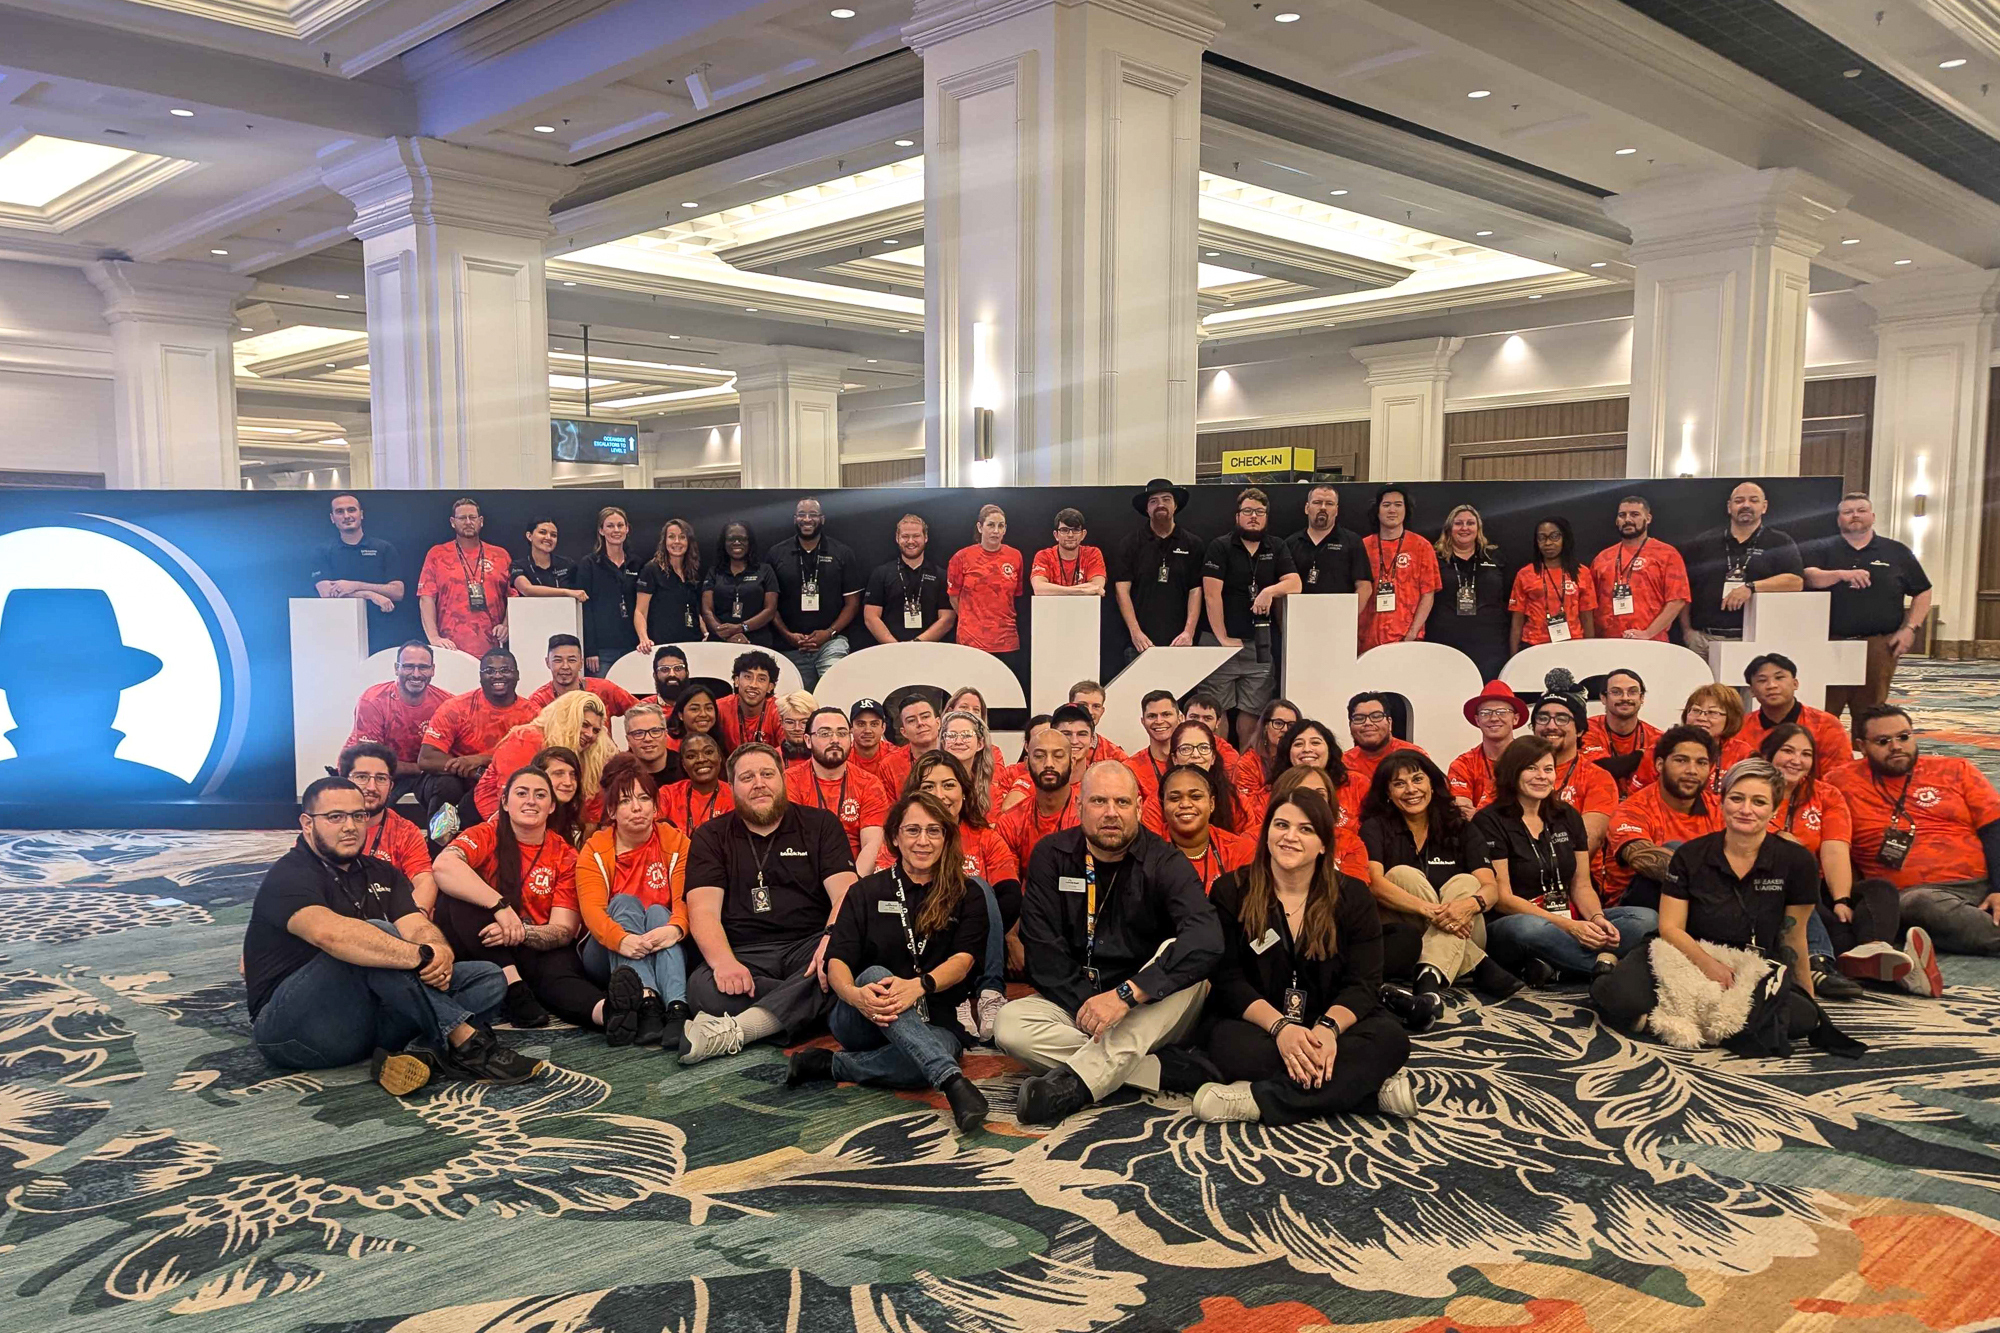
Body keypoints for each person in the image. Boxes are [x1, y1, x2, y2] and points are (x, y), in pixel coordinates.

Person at [243, 776, 537, 1094]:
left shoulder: (382, 872)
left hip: (366, 1024)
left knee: (487, 978)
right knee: (374, 935)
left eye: (359, 816)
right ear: (307, 823)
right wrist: (420, 956)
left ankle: (419, 1051)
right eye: (335, 817)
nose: (350, 826)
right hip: (293, 1029)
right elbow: (332, 937)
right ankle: (467, 1042)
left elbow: (416, 925)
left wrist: (438, 949)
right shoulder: (289, 875)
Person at [998, 762, 1223, 1125]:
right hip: (1081, 1002)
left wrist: (1127, 995)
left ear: (1138, 806)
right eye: (1099, 801)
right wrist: (1092, 1007)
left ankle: (1076, 1084)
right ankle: (1156, 1072)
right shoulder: (1051, 855)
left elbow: (1208, 937)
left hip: (1153, 1005)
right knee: (1010, 1025)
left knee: (1181, 956)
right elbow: (1041, 950)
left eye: (1121, 802)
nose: (1111, 814)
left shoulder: (1165, 860)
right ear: (1079, 806)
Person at [1191, 788, 1418, 1124]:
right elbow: (1228, 981)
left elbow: (1363, 983)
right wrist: (1281, 1028)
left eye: (1306, 829)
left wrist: (1327, 1029)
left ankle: (1259, 1100)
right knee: (1230, 1049)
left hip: (1327, 1018)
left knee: (1391, 1040)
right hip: (1258, 1023)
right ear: (1266, 832)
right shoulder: (1231, 890)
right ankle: (1366, 1092)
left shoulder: (1352, 896)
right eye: (1281, 825)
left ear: (1324, 843)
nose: (1290, 837)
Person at [789, 791, 992, 1131]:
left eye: (933, 831)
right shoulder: (866, 891)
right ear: (895, 836)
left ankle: (833, 1066)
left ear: (946, 837)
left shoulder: (967, 894)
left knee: (924, 1060)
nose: (923, 841)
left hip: (934, 1020)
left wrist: (919, 986)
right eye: (912, 830)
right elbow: (837, 962)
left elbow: (963, 962)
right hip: (862, 1017)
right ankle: (952, 1083)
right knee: (876, 975)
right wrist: (855, 996)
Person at [1592, 759, 1830, 1048]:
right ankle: (1617, 972)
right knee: (1618, 997)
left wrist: (1808, 996)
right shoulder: (1690, 855)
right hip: (1681, 952)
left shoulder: (1797, 861)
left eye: (1759, 802)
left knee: (1802, 1018)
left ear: (1775, 809)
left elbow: (1794, 936)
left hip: (1748, 964)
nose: (1745, 809)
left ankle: (1670, 1021)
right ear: (1722, 801)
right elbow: (1670, 927)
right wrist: (1709, 965)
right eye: (1736, 798)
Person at [678, 744, 860, 1063]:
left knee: (845, 960)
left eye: (767, 774)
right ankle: (815, 1007)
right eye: (747, 777)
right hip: (745, 953)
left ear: (783, 779)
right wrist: (724, 963)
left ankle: (743, 1028)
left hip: (810, 945)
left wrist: (831, 938)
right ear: (731, 787)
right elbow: (702, 911)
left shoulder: (821, 824)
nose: (759, 783)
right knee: (701, 987)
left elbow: (846, 892)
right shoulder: (710, 836)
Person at [432, 765, 605, 1031]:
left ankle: (610, 1012)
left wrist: (520, 933)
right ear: (504, 802)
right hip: (481, 939)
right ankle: (515, 988)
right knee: (460, 895)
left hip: (532, 942)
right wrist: (500, 906)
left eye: (540, 795)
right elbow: (444, 866)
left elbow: (563, 930)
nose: (530, 801)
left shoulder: (565, 854)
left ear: (551, 807)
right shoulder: (485, 834)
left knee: (560, 973)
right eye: (522, 793)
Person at [1757, 723, 1924, 999]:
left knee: (1879, 889)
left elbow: (1835, 849)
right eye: (1787, 751)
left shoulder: (1825, 794)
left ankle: (1875, 947)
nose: (1796, 760)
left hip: (1822, 882)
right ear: (1768, 755)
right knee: (1826, 921)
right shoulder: (1751, 791)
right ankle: (1835, 964)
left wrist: (1842, 900)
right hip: (1778, 887)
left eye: (1806, 754)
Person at [1829, 705, 2000, 957]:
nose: (1896, 746)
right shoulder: (1840, 782)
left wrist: (1998, 888)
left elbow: (1994, 828)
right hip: (1912, 895)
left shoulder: (1955, 770)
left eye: (1904, 737)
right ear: (1862, 746)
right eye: (1883, 741)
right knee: (1922, 905)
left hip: (1980, 883)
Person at [1476, 736, 1650, 981]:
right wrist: (1567, 926)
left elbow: (1581, 885)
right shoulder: (1489, 820)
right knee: (1528, 929)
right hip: (1515, 922)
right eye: (1531, 768)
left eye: (1548, 769)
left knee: (1645, 919)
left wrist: (1596, 920)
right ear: (1512, 773)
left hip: (1570, 916)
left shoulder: (1566, 815)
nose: (1541, 776)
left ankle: (1558, 968)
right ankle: (1612, 969)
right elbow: (1503, 898)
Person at [1358, 751, 1514, 1000]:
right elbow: (1374, 883)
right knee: (1401, 875)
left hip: (1468, 927)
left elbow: (1490, 887)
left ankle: (1437, 970)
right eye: (1399, 784)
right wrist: (1432, 911)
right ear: (1387, 793)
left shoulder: (1461, 827)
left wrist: (1470, 904)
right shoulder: (1375, 827)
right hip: (1407, 935)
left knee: (1466, 882)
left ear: (1432, 783)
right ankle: (1440, 973)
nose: (1411, 789)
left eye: (1418, 780)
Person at [575, 754, 695, 1049]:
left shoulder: (677, 843)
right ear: (612, 811)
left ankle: (676, 1010)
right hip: (606, 951)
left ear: (656, 806)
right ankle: (646, 1002)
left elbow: (686, 899)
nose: (637, 807)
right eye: (626, 801)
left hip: (664, 941)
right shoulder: (595, 850)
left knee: (657, 911)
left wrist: (676, 928)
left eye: (644, 798)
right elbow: (592, 912)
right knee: (624, 903)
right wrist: (621, 940)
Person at [1803, 492, 1933, 740]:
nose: (1855, 516)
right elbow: (1810, 576)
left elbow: (1923, 591)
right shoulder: (1822, 548)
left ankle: (1866, 767)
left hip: (1878, 645)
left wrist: (1910, 628)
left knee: (1871, 715)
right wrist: (1842, 574)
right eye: (1848, 511)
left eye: (1861, 510)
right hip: (1829, 643)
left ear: (1872, 516)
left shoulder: (1896, 551)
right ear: (1839, 518)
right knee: (1822, 715)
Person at [909, 750, 1020, 1036]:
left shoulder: (985, 837)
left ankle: (990, 993)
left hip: (977, 940)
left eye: (948, 785)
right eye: (928, 786)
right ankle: (953, 993)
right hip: (921, 939)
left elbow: (1009, 899)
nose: (940, 794)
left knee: (978, 888)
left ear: (964, 792)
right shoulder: (904, 837)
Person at [1201, 486, 1302, 750]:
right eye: (1247, 511)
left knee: (1253, 713)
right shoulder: (1220, 546)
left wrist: (1269, 591)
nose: (1253, 516)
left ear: (1267, 516)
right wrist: (1222, 638)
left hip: (1260, 644)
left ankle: (1245, 768)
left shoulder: (1277, 546)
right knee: (1215, 713)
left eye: (1259, 511)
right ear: (1237, 516)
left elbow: (1295, 583)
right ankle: (1217, 766)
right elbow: (1212, 595)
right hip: (1220, 642)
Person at [1680, 481, 1805, 660]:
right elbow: (1684, 589)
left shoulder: (1779, 541)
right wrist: (1687, 631)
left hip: (1751, 641)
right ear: (1729, 507)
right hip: (1703, 640)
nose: (1746, 505)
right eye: (1739, 501)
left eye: (1753, 500)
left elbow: (1796, 581)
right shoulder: (1704, 542)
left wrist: (1750, 587)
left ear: (1764, 507)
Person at [416, 649, 536, 831]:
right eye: (489, 671)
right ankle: (438, 848)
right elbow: (427, 758)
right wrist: (470, 769)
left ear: (517, 675)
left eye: (505, 670)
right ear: (480, 676)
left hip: (505, 781)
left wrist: (481, 760)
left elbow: (538, 758)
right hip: (458, 781)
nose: (497, 676)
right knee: (446, 785)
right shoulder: (456, 708)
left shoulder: (532, 714)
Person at [1604, 725, 1722, 910]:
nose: (1692, 770)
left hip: (1701, 901)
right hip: (1637, 908)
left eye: (1701, 763)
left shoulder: (1721, 807)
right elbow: (1640, 857)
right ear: (1659, 765)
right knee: (1676, 850)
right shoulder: (1632, 809)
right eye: (1681, 760)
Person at [471, 688, 611, 823]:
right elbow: (513, 797)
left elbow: (592, 813)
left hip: (548, 821)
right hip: (493, 816)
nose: (590, 734)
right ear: (567, 719)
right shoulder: (527, 738)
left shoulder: (593, 755)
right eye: (584, 725)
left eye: (596, 730)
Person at [344, 640, 450, 808]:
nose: (416, 674)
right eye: (408, 666)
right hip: (376, 770)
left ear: (432, 670)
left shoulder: (446, 703)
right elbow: (371, 761)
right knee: (367, 798)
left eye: (423, 667)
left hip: (421, 772)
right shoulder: (373, 700)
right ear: (396, 668)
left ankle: (439, 835)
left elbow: (451, 755)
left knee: (449, 786)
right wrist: (423, 767)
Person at [769, 496, 861, 689]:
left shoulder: (842, 553)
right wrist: (788, 635)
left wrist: (829, 633)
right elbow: (770, 606)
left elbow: (852, 603)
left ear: (823, 519)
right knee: (798, 705)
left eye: (813, 515)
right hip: (791, 645)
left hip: (831, 642)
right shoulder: (777, 554)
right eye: (802, 514)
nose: (807, 519)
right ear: (795, 519)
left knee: (836, 691)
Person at [787, 706, 889, 876]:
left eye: (842, 733)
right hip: (805, 875)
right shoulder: (790, 781)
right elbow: (792, 843)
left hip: (856, 876)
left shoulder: (869, 784)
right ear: (808, 740)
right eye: (825, 733)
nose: (835, 740)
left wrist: (850, 889)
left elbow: (872, 844)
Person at [338, 743, 436, 914]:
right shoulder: (325, 824)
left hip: (388, 920)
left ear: (391, 786)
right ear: (345, 781)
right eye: (362, 777)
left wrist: (416, 919)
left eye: (381, 778)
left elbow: (425, 879)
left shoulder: (405, 831)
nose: (371, 787)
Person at [1113, 477, 1204, 660]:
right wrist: (1136, 632)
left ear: (1175, 505)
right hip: (1140, 644)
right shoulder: (1130, 544)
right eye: (1153, 501)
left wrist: (1189, 632)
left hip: (1180, 643)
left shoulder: (1193, 544)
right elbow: (1121, 591)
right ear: (1147, 509)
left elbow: (1196, 590)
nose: (1160, 504)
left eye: (1166, 499)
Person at [1426, 503, 1510, 683]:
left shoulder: (1494, 556)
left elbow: (1507, 596)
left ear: (1478, 528)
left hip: (1489, 642)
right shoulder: (1434, 557)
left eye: (1470, 523)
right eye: (1458, 523)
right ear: (1449, 528)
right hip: (1445, 639)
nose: (1464, 528)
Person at [1589, 495, 1689, 642]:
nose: (1628, 520)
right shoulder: (1602, 558)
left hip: (1651, 640)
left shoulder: (1667, 554)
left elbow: (1678, 600)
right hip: (1608, 641)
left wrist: (1648, 633)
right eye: (1622, 515)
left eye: (1635, 514)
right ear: (1617, 521)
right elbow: (1590, 604)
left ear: (1648, 519)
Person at [418, 497, 511, 653]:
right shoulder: (437, 554)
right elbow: (426, 597)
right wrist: (434, 638)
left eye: (472, 517)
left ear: (481, 521)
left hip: (493, 646)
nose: (468, 522)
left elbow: (513, 597)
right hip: (450, 646)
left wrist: (507, 625)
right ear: (453, 522)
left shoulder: (500, 555)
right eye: (462, 518)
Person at [312, 493, 404, 651]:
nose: (346, 516)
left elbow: (398, 592)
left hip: (382, 632)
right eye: (340, 512)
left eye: (351, 510)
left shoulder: (383, 548)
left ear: (361, 514)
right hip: (339, 631)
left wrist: (355, 585)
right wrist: (370, 595)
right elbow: (326, 592)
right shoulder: (323, 551)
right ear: (332, 518)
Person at [1737, 653, 1852, 775]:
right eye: (1762, 680)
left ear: (1795, 684)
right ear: (1752, 691)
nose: (1772, 685)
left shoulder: (1826, 725)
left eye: (1779, 677)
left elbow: (1839, 776)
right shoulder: (1739, 727)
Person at [1360, 485, 1442, 653]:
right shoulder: (1363, 546)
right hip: (1366, 639)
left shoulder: (1421, 546)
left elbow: (1428, 594)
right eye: (1386, 505)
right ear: (1377, 510)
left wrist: (1411, 634)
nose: (1392, 510)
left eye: (1398, 505)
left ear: (1406, 510)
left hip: (1407, 639)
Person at [947, 503, 1027, 660]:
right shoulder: (961, 557)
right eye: (990, 525)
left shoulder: (1015, 556)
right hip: (971, 641)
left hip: (1006, 640)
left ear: (1005, 529)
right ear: (980, 527)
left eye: (1000, 526)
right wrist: (971, 619)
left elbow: (1015, 595)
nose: (996, 531)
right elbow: (953, 597)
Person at [1158, 763, 1255, 892]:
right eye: (1175, 798)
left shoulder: (1241, 850)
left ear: (1211, 804)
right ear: (1163, 805)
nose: (1185, 804)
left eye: (1196, 797)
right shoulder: (1148, 853)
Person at [569, 506, 642, 675]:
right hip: (602, 651)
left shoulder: (637, 563)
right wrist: (590, 650)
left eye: (620, 525)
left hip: (633, 647)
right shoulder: (589, 564)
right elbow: (585, 608)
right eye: (610, 526)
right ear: (601, 530)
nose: (616, 530)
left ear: (627, 529)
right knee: (602, 698)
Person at [996, 724, 1080, 869]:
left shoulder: (1088, 815)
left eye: (1058, 756)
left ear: (1072, 762)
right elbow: (1009, 883)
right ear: (1027, 763)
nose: (1048, 764)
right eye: (1039, 756)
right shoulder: (1011, 822)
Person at [863, 513, 955, 644]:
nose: (910, 541)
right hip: (890, 650)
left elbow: (947, 619)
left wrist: (916, 644)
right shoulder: (881, 573)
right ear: (897, 538)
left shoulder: (941, 575)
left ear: (926, 537)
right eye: (905, 536)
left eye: (916, 536)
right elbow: (870, 617)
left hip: (930, 650)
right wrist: (895, 647)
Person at [1510, 516, 1597, 651]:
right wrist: (1513, 658)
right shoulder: (1525, 573)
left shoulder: (1582, 573)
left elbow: (1587, 618)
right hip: (1534, 645)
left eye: (1554, 536)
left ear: (1565, 538)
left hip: (1573, 644)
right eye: (1542, 538)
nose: (1548, 543)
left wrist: (1589, 650)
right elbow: (1517, 622)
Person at [1448, 680, 1528, 817]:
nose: (1494, 718)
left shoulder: (1530, 759)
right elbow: (1462, 811)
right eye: (1485, 713)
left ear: (1515, 718)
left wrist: (1479, 816)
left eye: (1502, 712)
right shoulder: (1462, 764)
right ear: (1477, 720)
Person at [1287, 483, 1371, 602]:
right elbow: (1281, 587)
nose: (1323, 507)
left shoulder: (1353, 541)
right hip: (1298, 617)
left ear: (1336, 510)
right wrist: (1284, 620)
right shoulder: (1290, 544)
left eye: (1329, 503)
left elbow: (1365, 587)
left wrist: (1350, 617)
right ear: (1307, 508)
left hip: (1339, 617)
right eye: (1317, 502)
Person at [1586, 668, 1661, 797]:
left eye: (1632, 692)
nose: (1625, 698)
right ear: (1603, 698)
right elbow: (1597, 769)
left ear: (1641, 698)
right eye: (1616, 692)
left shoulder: (1658, 737)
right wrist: (1642, 755)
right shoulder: (1587, 728)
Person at [703, 522, 780, 648]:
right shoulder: (714, 572)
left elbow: (770, 610)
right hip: (720, 643)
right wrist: (724, 633)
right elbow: (707, 610)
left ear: (750, 542)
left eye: (742, 539)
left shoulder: (765, 570)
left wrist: (741, 628)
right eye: (731, 539)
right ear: (724, 543)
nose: (737, 542)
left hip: (757, 642)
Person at [523, 633, 638, 715]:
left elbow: (641, 710)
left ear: (581, 663)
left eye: (572, 660)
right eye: (558, 660)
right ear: (547, 663)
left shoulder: (604, 689)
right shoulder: (539, 700)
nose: (565, 666)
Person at [634, 517, 705, 649]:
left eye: (682, 537)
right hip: (663, 646)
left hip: (694, 644)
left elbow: (695, 610)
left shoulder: (692, 571)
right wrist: (644, 639)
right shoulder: (652, 569)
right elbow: (640, 611)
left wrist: (705, 632)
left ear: (689, 541)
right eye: (671, 537)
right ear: (664, 541)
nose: (677, 541)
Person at [1231, 697, 1300, 820]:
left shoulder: (1302, 758)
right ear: (1265, 726)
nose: (1285, 730)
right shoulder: (1248, 763)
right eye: (1278, 723)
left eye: (1291, 725)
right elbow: (1248, 811)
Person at [1344, 692, 1424, 795]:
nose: (1368, 723)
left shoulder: (1414, 755)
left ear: (1389, 723)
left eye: (1376, 716)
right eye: (1359, 718)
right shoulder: (1343, 763)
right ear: (1350, 726)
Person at [1682, 682, 1751, 793]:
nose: (1701, 718)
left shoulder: (1742, 754)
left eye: (1713, 712)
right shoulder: (1666, 747)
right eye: (1695, 710)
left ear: (1730, 718)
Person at [660, 731, 733, 833]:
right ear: (684, 764)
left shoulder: (735, 795)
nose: (701, 759)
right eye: (691, 756)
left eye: (708, 752)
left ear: (719, 757)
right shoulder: (668, 794)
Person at [1125, 690, 1184, 816]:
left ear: (1180, 719)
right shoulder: (1130, 768)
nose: (1159, 721)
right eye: (1152, 716)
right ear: (1143, 722)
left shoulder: (1195, 759)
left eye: (1166, 714)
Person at [938, 708, 1004, 820]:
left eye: (967, 735)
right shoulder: (930, 783)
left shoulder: (991, 790)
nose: (958, 741)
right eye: (951, 735)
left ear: (980, 744)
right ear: (943, 743)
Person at [717, 650, 785, 750]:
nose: (753, 685)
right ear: (736, 681)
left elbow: (789, 751)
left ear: (770, 687)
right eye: (748, 677)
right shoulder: (719, 708)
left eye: (761, 679)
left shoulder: (780, 711)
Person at [1031, 508, 1107, 596]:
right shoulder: (1044, 556)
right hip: (1052, 608)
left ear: (1083, 534)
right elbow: (1039, 589)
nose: (1070, 535)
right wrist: (1083, 590)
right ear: (1056, 535)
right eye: (1064, 530)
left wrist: (1053, 590)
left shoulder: (1092, 553)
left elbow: (1098, 586)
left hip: (1085, 608)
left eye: (1076, 530)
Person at [511, 516, 584, 602]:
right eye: (542, 532)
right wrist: (566, 592)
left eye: (553, 535)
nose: (548, 537)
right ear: (529, 536)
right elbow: (526, 589)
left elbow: (581, 593)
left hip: (563, 614)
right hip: (530, 614)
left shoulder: (568, 564)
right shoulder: (518, 566)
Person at [848, 697, 911, 795]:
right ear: (851, 728)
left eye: (874, 724)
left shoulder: (898, 757)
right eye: (861, 724)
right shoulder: (842, 759)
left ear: (883, 728)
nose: (867, 730)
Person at [535, 745, 588, 848]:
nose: (568, 782)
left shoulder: (573, 825)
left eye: (573, 775)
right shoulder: (520, 818)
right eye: (559, 773)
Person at [622, 700, 684, 787]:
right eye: (639, 733)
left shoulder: (685, 768)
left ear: (665, 734)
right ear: (628, 740)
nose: (648, 739)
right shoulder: (617, 772)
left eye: (655, 731)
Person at [1065, 681, 1129, 763]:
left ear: (1102, 712)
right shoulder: (1050, 744)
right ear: (1069, 707)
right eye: (1083, 705)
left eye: (1096, 706)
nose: (1090, 711)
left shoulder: (1115, 756)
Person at [1183, 694, 1242, 772]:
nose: (1200, 722)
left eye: (1207, 718)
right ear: (1183, 718)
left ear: (1218, 722)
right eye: (1194, 717)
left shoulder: (1228, 755)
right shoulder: (1170, 745)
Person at [668, 681, 722, 749]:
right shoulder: (669, 746)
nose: (703, 714)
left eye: (708, 708)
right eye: (694, 709)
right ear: (680, 715)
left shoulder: (720, 743)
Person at [898, 692, 944, 766]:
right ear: (904, 732)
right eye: (911, 720)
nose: (920, 723)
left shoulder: (956, 753)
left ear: (938, 723)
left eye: (925, 717)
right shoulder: (890, 765)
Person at [776, 690, 816, 764]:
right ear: (781, 723)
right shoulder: (772, 757)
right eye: (790, 722)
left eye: (804, 722)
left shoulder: (825, 756)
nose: (797, 728)